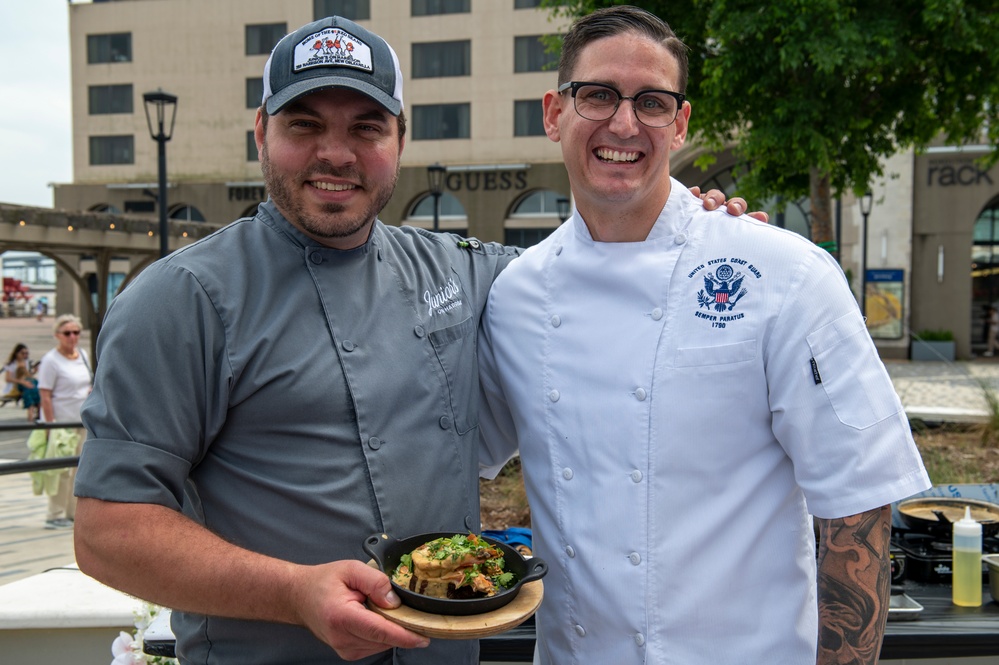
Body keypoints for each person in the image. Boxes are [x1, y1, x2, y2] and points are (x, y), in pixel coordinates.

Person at [72, 15, 758, 665]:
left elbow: (599, 273)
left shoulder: (465, 270)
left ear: (400, 140)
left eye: (366, 127)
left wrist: (697, 233)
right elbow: (108, 533)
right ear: (260, 132)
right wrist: (292, 592)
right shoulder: (180, 299)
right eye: (304, 125)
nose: (334, 153)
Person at [477, 6, 932, 665]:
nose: (624, 123)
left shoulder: (783, 273)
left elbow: (855, 511)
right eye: (597, 95)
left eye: (652, 102)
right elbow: (457, 458)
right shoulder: (517, 294)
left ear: (679, 123)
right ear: (554, 112)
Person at [36, 314, 92, 529]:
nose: (72, 337)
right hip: (61, 423)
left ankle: (72, 512)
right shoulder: (51, 360)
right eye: (67, 333)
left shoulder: (82, 355)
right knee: (61, 471)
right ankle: (55, 513)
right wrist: (50, 425)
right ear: (57, 335)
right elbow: (45, 395)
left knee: (78, 470)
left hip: (81, 421)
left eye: (76, 332)